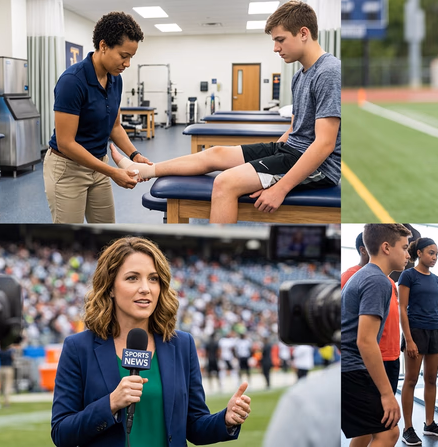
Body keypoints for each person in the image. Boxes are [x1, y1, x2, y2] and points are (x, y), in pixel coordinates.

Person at [111, 0, 341, 223]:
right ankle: (144, 170)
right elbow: (294, 128)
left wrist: (280, 187)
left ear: (303, 33)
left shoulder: (328, 72)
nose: (275, 48)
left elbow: (324, 144)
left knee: (225, 182)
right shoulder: (300, 75)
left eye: (280, 40)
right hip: (291, 150)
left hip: (319, 168)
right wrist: (272, 157)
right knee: (216, 153)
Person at [50, 237, 251, 447]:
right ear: (110, 287)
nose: (145, 288)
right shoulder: (79, 348)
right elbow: (61, 433)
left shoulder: (182, 345)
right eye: (132, 278)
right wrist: (110, 404)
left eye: (153, 279)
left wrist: (226, 419)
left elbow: (194, 425)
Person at [44, 12, 153, 223]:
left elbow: (115, 127)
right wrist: (113, 172)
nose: (127, 63)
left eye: (131, 57)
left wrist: (134, 155)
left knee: (107, 233)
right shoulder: (72, 82)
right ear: (103, 46)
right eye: (124, 55)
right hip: (68, 168)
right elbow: (66, 143)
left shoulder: (115, 79)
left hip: (98, 166)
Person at [341, 223, 412, 447]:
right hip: (352, 369)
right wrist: (387, 394)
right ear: (386, 248)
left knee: (366, 432)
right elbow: (365, 340)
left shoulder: (367, 276)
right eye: (404, 247)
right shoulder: (377, 280)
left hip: (347, 368)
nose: (408, 255)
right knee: (388, 433)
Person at [398, 238, 438, 445]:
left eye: (436, 254)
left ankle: (429, 424)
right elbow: (402, 308)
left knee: (431, 379)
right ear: (419, 253)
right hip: (416, 331)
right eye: (431, 253)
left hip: (434, 332)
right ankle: (408, 428)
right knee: (411, 380)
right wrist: (409, 339)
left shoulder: (437, 280)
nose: (435, 257)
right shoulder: (408, 275)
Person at [342, 231, 403, 394]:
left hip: (392, 354)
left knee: (388, 412)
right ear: (365, 249)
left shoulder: (389, 281)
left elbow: (393, 314)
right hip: (372, 357)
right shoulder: (350, 276)